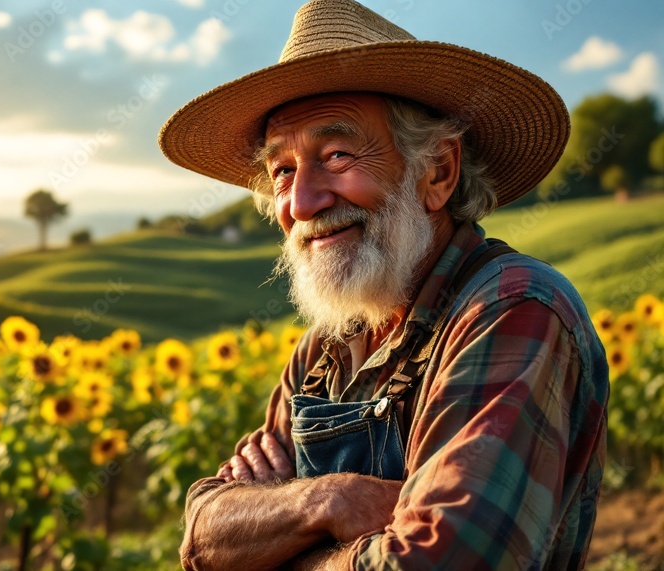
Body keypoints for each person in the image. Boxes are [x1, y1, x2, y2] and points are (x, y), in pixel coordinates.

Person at [157, 1, 610, 569]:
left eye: (338, 154)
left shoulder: (511, 309)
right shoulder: (327, 346)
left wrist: (276, 539)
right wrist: (326, 499)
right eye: (283, 170)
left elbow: (439, 561)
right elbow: (202, 537)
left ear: (437, 171)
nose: (302, 203)